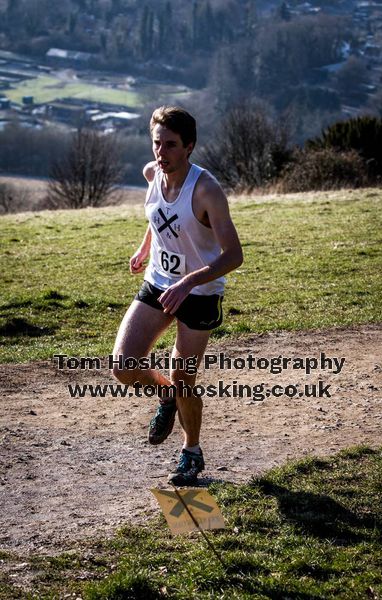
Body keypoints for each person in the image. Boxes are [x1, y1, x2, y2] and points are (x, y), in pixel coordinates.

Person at [112, 106, 243, 486]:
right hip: (158, 282)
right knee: (123, 365)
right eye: (157, 143)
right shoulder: (153, 173)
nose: (161, 152)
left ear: (189, 146)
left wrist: (188, 282)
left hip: (199, 291)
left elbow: (233, 256)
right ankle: (166, 397)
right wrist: (144, 247)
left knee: (184, 376)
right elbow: (160, 218)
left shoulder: (206, 190)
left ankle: (191, 452)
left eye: (170, 145)